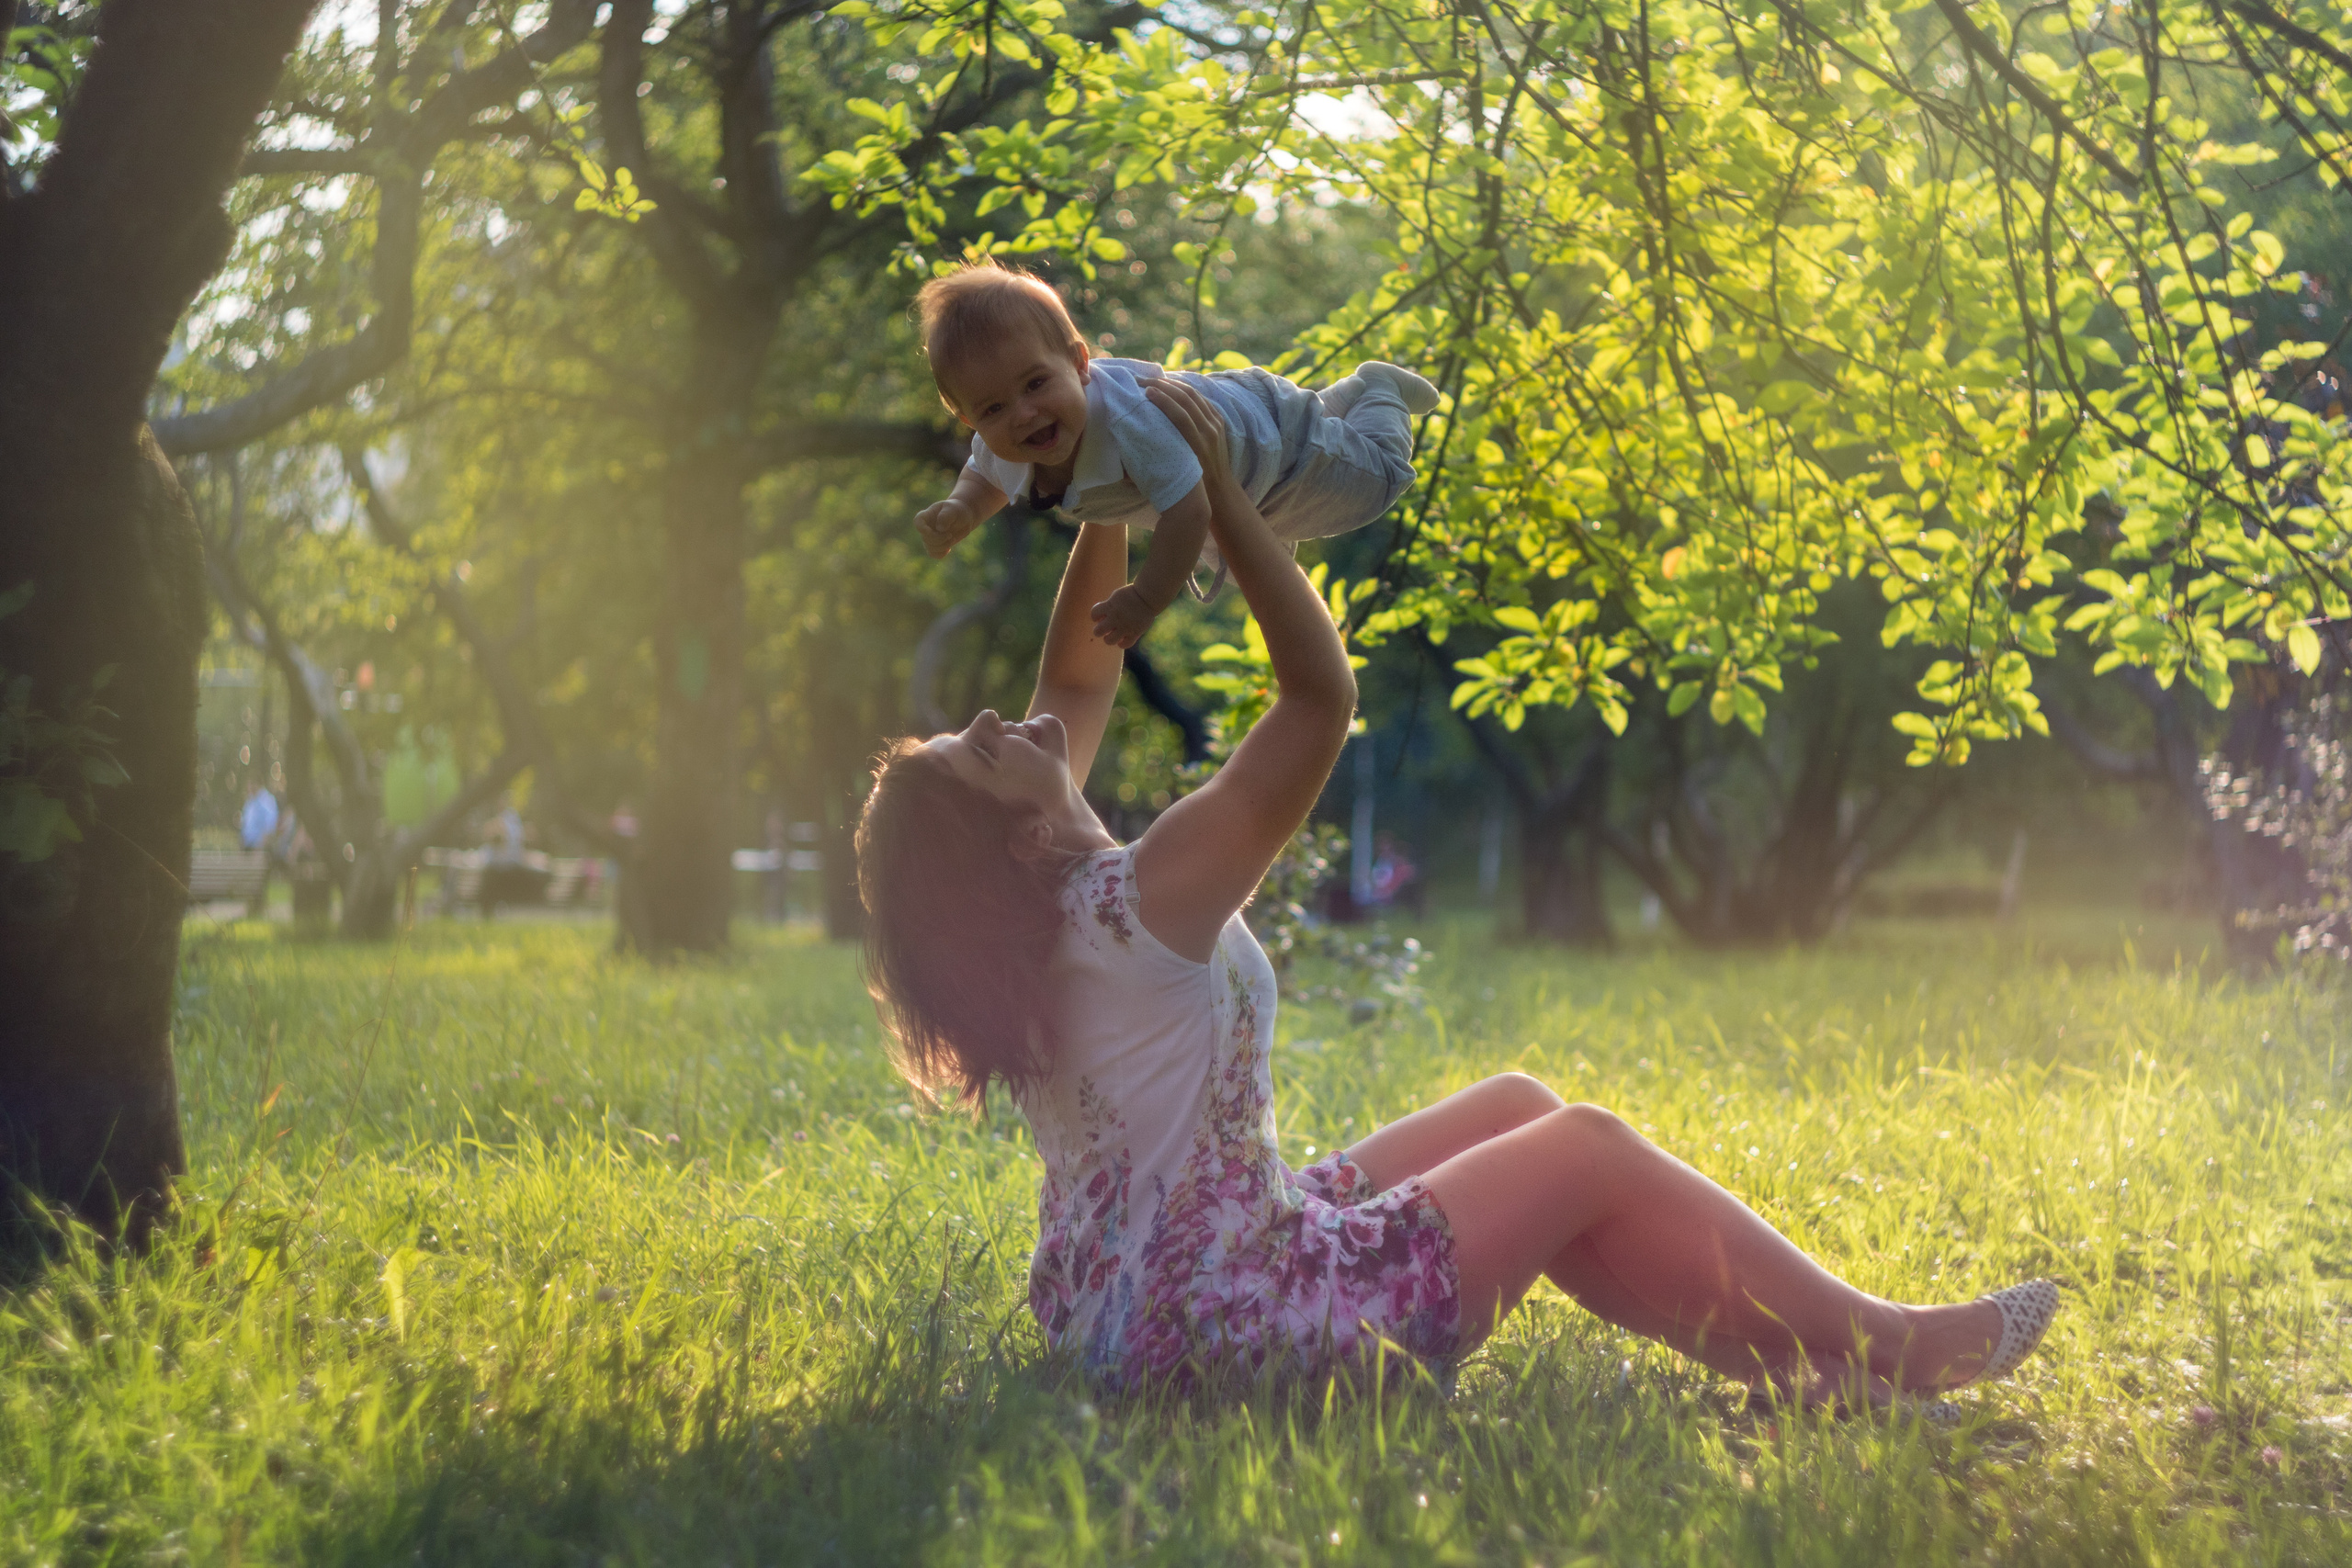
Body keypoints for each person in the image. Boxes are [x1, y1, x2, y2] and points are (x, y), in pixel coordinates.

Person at [857, 378, 2060, 1401]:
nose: (985, 716)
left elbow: (1078, 668)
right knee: (1584, 1143)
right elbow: (1317, 704)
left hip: (1133, 1315)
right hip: (1241, 1324)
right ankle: (1893, 1343)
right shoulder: (1142, 899)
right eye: (971, 751)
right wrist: (1214, 489)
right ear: (1013, 839)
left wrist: (1111, 457)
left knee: (1518, 1103)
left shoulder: (1065, 913)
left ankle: (1801, 1371)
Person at [910, 258, 1439, 649]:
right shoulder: (1000, 440)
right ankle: (1338, 401)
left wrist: (1145, 598)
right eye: (994, 408)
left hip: (1276, 445)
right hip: (1244, 466)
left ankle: (1378, 391)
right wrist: (962, 510)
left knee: (1376, 481)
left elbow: (1189, 512)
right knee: (1264, 548)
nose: (1023, 414)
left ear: (1078, 363)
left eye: (1035, 383)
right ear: (968, 417)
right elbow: (986, 471)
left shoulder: (1132, 426)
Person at [238, 781, 279, 852]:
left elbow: (270, 827)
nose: (249, 787)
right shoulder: (249, 802)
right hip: (247, 845)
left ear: (256, 785)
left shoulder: (268, 801)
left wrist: (261, 846)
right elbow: (245, 825)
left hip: (261, 847)